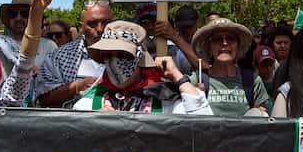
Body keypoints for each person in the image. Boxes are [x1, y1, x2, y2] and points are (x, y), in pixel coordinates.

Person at [72, 21, 211, 114]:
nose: (115, 64)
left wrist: (177, 77)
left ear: (139, 59)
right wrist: (94, 123)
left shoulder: (165, 101)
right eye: (108, 56)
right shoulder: (88, 105)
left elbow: (203, 125)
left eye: (123, 56)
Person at [35, 0, 112, 107]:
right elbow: (43, 99)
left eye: (106, 23)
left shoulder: (127, 56)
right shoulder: (58, 58)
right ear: (81, 27)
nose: (100, 29)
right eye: (92, 24)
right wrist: (76, 87)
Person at [189, 18, 271, 116]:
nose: (224, 43)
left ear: (238, 46)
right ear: (209, 47)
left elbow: (267, 116)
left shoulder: (253, 81)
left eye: (230, 39)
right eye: (218, 39)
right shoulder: (197, 80)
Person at [0, 0, 56, 77]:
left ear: (34, 17)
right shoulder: (0, 42)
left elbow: (56, 77)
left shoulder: (49, 46)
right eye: (13, 14)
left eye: (24, 14)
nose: (18, 18)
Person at [151, 4, 199, 75]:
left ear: (197, 23)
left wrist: (174, 36)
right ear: (176, 26)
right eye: (182, 27)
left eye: (189, 27)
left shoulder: (206, 45)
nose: (186, 31)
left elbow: (202, 67)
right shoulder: (172, 51)